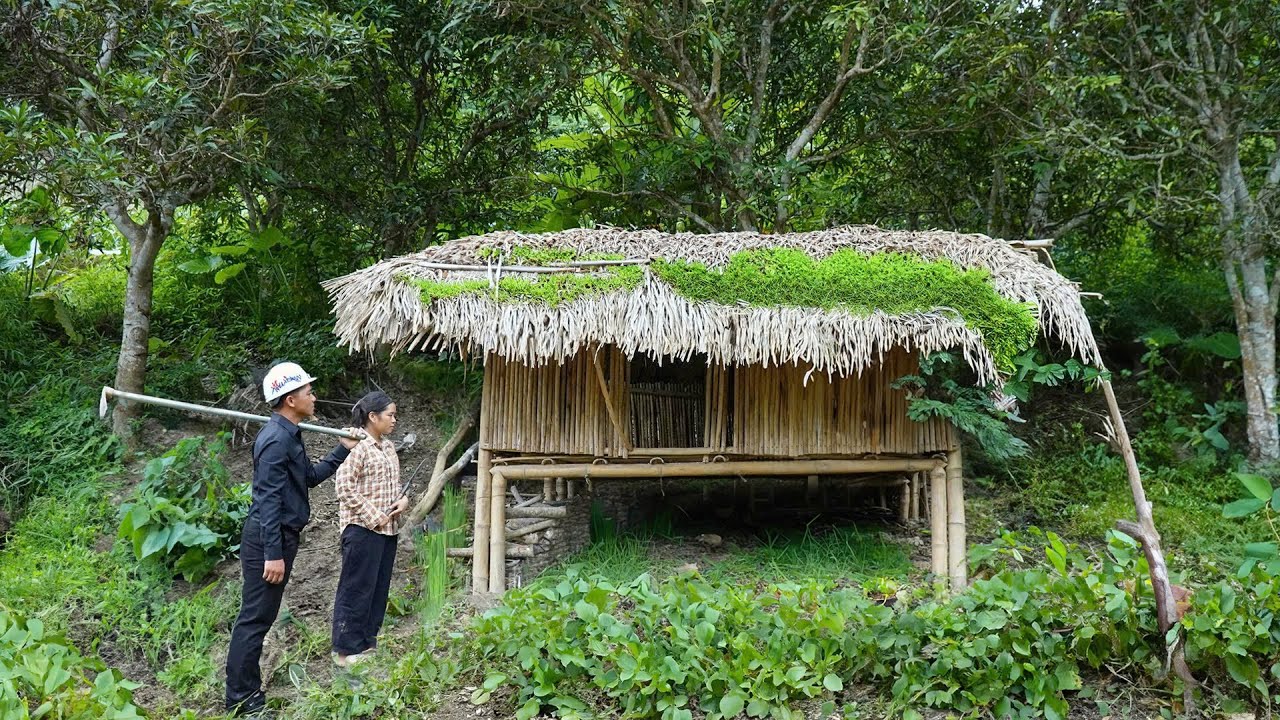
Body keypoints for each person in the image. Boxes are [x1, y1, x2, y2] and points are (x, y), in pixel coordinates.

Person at [225, 362, 360, 717]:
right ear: (290, 399)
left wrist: (342, 449)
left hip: (281, 538)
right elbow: (267, 500)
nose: (314, 397)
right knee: (254, 619)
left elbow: (308, 478)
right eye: (308, 392)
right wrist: (273, 553)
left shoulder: (289, 434)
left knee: (259, 618)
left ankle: (246, 695)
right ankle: (242, 701)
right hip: (268, 541)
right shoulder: (275, 440)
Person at [331, 390, 408, 667]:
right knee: (356, 589)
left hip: (388, 530)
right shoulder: (357, 445)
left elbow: (394, 484)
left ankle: (367, 645)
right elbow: (344, 488)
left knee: (378, 589)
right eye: (390, 415)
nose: (394, 420)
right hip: (362, 529)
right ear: (373, 417)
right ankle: (345, 652)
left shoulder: (388, 447)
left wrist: (403, 500)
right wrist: (375, 516)